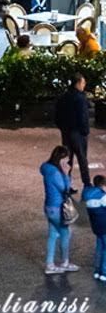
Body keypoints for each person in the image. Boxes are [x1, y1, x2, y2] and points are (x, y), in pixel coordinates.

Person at [41, 144, 79, 275]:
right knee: (65, 234)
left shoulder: (46, 168)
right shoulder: (55, 173)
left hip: (49, 207)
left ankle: (50, 265)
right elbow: (65, 189)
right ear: (61, 158)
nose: (68, 162)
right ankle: (65, 262)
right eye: (66, 159)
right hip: (57, 209)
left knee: (52, 235)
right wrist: (66, 173)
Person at [55, 74, 92, 185]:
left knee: (67, 160)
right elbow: (83, 117)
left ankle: (67, 184)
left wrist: (62, 128)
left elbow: (57, 116)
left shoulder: (63, 97)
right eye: (83, 83)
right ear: (78, 83)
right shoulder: (80, 98)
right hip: (78, 133)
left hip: (66, 133)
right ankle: (87, 184)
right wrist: (85, 132)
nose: (84, 85)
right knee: (82, 160)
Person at [81, 172, 106, 281]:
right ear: (103, 185)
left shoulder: (88, 195)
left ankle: (96, 271)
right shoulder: (102, 196)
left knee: (99, 247)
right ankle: (104, 272)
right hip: (105, 226)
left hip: (96, 227)